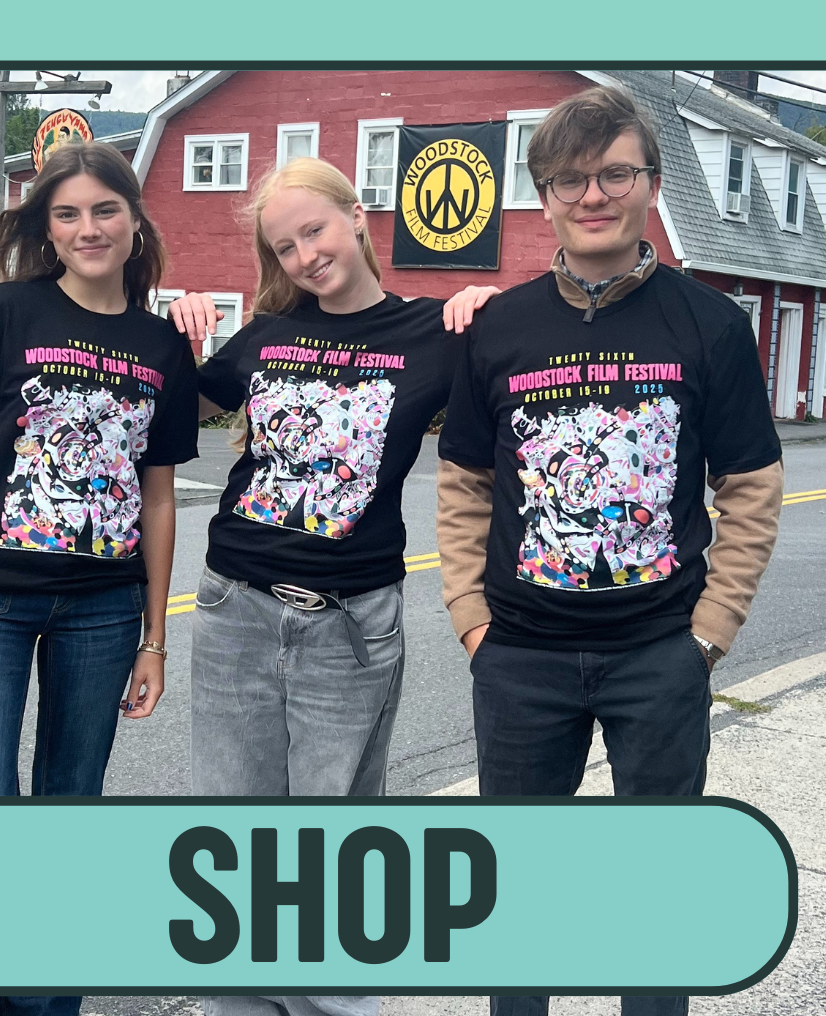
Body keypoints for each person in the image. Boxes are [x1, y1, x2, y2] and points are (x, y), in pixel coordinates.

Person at [436, 86, 784, 1016]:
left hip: (658, 655)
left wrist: (706, 638)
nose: (593, 196)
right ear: (544, 197)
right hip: (520, 659)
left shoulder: (710, 325)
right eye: (569, 180)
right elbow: (464, 482)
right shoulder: (500, 328)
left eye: (615, 174)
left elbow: (749, 488)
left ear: (650, 184)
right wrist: (472, 621)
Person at [167, 156, 495, 1016]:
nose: (306, 255)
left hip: (351, 622)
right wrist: (176, 334)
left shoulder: (436, 331)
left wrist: (495, 306)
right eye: (286, 245)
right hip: (234, 604)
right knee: (234, 844)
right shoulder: (268, 335)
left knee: (336, 851)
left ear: (357, 217)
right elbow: (176, 415)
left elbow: (519, 378)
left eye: (314, 230)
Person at [0, 141, 197, 1016]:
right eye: (65, 214)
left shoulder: (158, 343)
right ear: (45, 226)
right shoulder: (5, 314)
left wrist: (154, 636)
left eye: (104, 210)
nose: (87, 228)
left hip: (104, 612)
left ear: (134, 219)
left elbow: (157, 501)